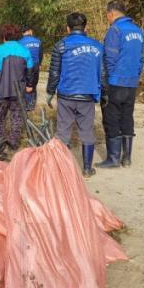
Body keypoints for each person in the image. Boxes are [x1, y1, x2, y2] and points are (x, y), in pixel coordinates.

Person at [46, 13, 103, 177]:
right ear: (86, 27)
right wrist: (103, 94)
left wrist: (50, 92)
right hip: (87, 94)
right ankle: (87, 169)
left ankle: (61, 171)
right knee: (87, 131)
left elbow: (54, 73)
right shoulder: (98, 47)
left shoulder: (61, 46)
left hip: (66, 95)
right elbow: (103, 73)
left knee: (63, 132)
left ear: (67, 28)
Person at [97, 0, 144, 169]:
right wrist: (135, 76)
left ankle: (113, 158)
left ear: (111, 13)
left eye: (107, 15)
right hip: (131, 82)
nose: (107, 18)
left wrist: (107, 83)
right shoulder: (138, 31)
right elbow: (141, 59)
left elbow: (109, 59)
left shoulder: (115, 30)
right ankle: (127, 158)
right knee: (127, 117)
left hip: (116, 82)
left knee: (111, 119)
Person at [0, 24, 35, 150]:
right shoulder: (24, 50)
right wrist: (29, 85)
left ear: (4, 37)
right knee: (16, 118)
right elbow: (30, 70)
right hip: (18, 92)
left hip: (0, 91)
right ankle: (14, 143)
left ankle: (0, 142)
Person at [18, 24, 43, 110]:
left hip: (24, 66)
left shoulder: (19, 42)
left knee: (25, 83)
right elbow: (40, 54)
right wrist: (40, 64)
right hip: (35, 65)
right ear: (30, 31)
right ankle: (32, 103)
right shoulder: (38, 41)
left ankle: (25, 103)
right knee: (34, 84)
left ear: (22, 33)